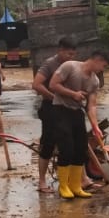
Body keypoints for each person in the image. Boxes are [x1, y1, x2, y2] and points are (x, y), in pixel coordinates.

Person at [50, 50, 108, 200]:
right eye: (103, 65)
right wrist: (72, 94)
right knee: (67, 148)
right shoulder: (70, 66)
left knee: (81, 149)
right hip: (60, 110)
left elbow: (92, 106)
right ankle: (64, 186)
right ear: (97, 59)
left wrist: (95, 126)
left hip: (77, 113)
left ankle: (76, 186)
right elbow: (53, 84)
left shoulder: (94, 81)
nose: (103, 69)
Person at [32, 35, 77, 194]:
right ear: (60, 51)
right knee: (48, 143)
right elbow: (36, 85)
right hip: (50, 108)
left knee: (72, 142)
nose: (70, 58)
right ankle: (42, 181)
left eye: (73, 55)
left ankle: (76, 179)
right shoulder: (50, 64)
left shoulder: (72, 65)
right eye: (68, 54)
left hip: (67, 108)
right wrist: (53, 96)